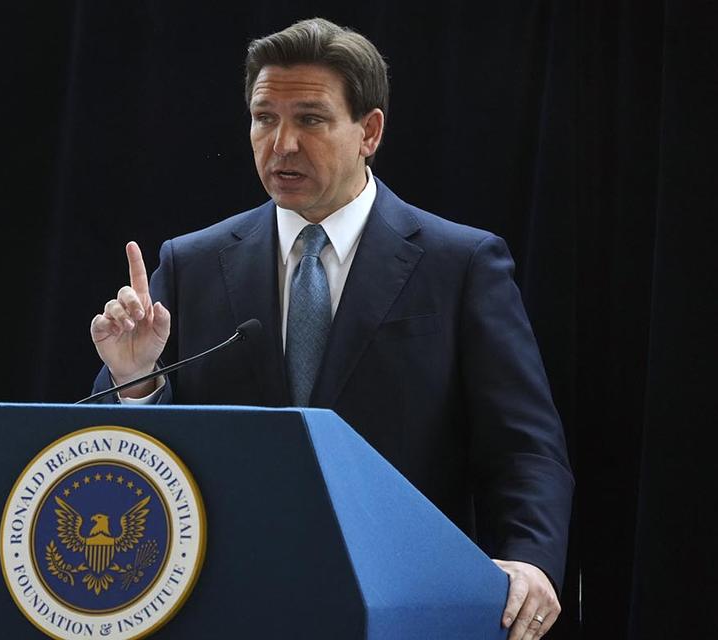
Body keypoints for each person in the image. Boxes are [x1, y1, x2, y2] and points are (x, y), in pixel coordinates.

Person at [89, 18, 573, 640]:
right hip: (228, 601)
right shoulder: (192, 263)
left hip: (404, 601)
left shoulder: (461, 264)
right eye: (265, 118)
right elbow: (122, 460)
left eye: (311, 120)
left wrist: (530, 561)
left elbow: (525, 448)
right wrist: (133, 380)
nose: (282, 144)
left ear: (369, 131)